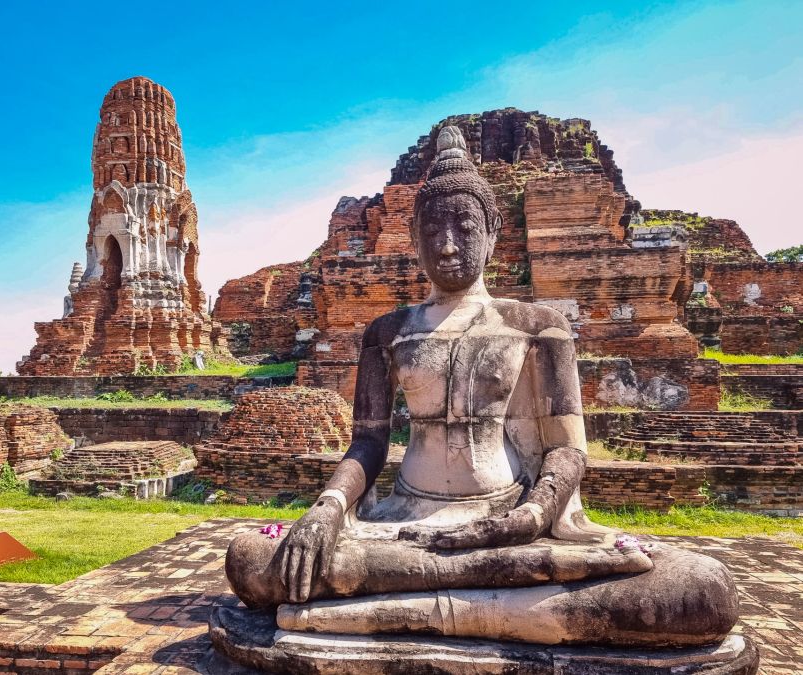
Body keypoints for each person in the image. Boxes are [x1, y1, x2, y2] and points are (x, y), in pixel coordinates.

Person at [225, 126, 738, 647]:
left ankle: (379, 613)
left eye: (464, 227)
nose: (447, 247)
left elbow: (566, 448)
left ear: (492, 231)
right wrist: (328, 508)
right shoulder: (387, 332)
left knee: (702, 592)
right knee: (252, 560)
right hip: (405, 524)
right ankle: (498, 612)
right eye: (432, 229)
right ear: (413, 234)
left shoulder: (538, 326)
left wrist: (529, 516)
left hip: (511, 524)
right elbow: (369, 444)